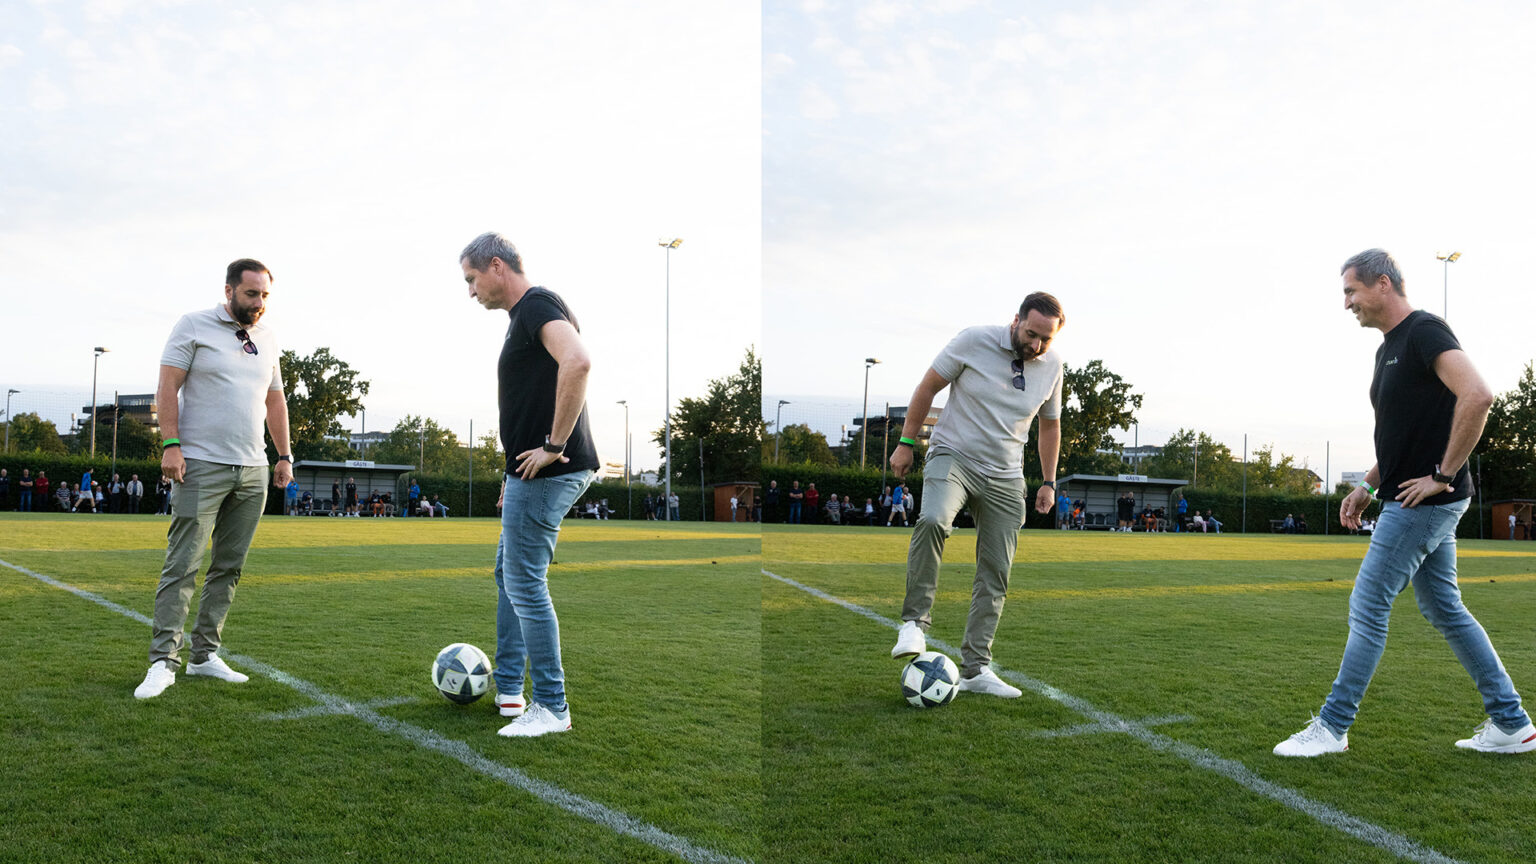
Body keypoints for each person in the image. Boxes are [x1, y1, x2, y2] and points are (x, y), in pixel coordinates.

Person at [1275, 248, 1535, 757]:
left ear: (1383, 285)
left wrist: (1443, 475)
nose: (1346, 303)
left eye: (1351, 291)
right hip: (1404, 496)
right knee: (1446, 609)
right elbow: (1403, 435)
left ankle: (1331, 726)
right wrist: (1368, 485)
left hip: (1423, 504)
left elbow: (1478, 396)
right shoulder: (1387, 349)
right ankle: (1511, 723)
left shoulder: (1424, 331)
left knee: (1368, 603)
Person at [889, 292, 1065, 699]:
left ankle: (976, 669)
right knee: (933, 519)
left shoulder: (1053, 366)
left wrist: (1048, 481)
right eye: (1032, 333)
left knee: (996, 569)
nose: (1037, 345)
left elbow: (1049, 426)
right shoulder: (973, 340)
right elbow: (928, 386)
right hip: (954, 456)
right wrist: (905, 442)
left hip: (1006, 475)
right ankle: (914, 624)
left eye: (1046, 339)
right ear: (1016, 320)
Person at [134, 257, 293, 700]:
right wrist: (170, 444)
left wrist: (284, 456)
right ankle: (163, 662)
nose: (259, 303)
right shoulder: (193, 325)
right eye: (251, 294)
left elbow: (274, 402)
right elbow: (167, 387)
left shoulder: (268, 337)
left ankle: (204, 656)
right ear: (229, 291)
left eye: (264, 295)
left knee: (229, 566)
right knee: (182, 564)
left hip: (254, 468)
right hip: (200, 463)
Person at [462, 232, 598, 738]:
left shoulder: (538, 303)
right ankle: (512, 689)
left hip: (553, 467)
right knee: (508, 574)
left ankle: (552, 707)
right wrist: (509, 474)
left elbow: (578, 362)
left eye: (472, 279)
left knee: (523, 582)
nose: (471, 292)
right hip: (528, 472)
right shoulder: (525, 316)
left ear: (496, 267)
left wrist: (555, 445)